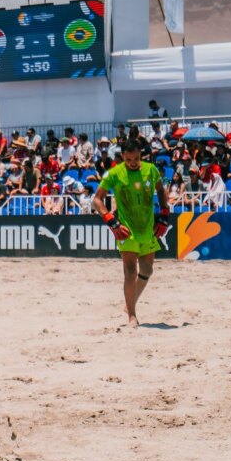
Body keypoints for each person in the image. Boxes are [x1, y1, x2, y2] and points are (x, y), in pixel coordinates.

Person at [93, 138, 169, 328]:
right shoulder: (114, 173)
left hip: (147, 227)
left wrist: (164, 214)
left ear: (141, 155)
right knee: (130, 272)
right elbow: (97, 200)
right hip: (126, 230)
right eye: (128, 160)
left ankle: (128, 304)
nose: (133, 163)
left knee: (147, 270)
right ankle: (132, 316)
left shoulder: (151, 170)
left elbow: (160, 190)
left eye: (136, 158)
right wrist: (112, 222)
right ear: (122, 157)